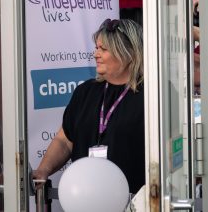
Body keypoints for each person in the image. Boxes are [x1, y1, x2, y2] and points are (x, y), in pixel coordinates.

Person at [33, 18, 145, 195]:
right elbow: (64, 141)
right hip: (85, 199)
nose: (95, 54)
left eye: (103, 49)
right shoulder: (85, 92)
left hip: (133, 202)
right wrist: (43, 170)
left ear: (128, 53)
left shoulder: (151, 96)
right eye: (96, 48)